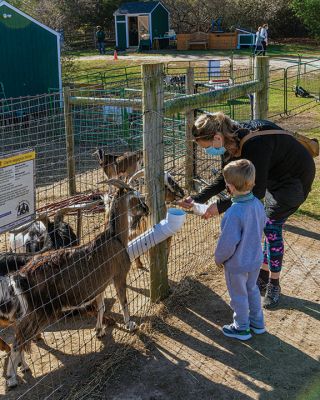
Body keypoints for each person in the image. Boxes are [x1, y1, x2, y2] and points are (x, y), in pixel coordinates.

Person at [179, 112, 315, 308]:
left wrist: (219, 206)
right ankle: (263, 273)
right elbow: (225, 178)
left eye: (207, 148)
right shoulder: (229, 142)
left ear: (217, 138)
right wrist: (198, 198)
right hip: (274, 177)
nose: (207, 151)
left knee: (270, 226)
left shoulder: (254, 144)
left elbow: (256, 190)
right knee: (267, 224)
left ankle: (273, 284)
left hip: (295, 179)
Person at [215, 159, 266, 340]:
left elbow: (228, 243)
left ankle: (241, 327)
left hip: (237, 264)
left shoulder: (234, 212)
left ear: (230, 188)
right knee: (252, 289)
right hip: (255, 259)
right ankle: (257, 323)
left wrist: (219, 258)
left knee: (238, 295)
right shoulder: (258, 205)